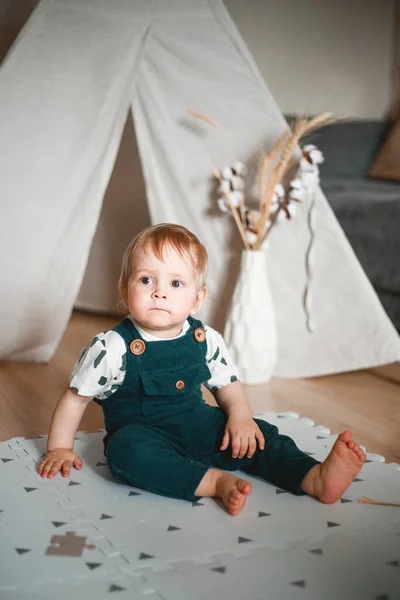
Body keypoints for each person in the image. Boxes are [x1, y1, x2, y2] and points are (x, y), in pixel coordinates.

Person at [38, 223, 366, 515]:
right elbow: (75, 399)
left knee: (258, 435)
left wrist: (240, 417)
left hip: (199, 424)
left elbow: (228, 386)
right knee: (126, 454)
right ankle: (212, 482)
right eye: (146, 279)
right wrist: (60, 448)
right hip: (142, 433)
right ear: (125, 290)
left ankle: (313, 477)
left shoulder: (204, 338)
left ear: (198, 298)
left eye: (176, 283)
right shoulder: (112, 346)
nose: (159, 291)